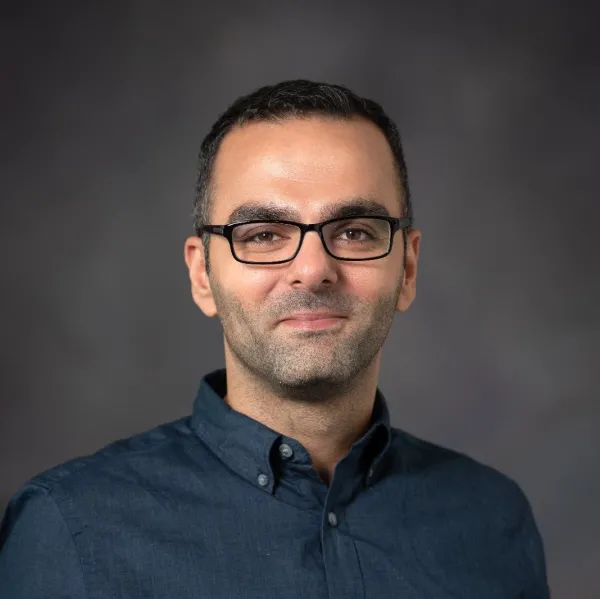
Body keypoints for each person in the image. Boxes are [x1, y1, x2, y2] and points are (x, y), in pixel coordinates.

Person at [0, 80, 550, 598]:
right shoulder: (71, 529)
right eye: (263, 235)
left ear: (406, 268)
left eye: (355, 231)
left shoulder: (493, 519)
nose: (313, 270)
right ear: (202, 275)